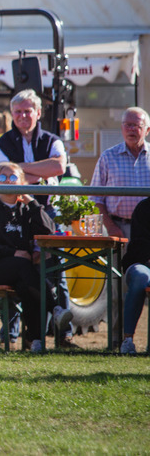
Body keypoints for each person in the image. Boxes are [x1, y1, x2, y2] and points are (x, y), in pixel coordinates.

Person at [0, 88, 74, 345]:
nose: (23, 116)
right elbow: (3, 179)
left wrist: (17, 170)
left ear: (38, 112)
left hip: (48, 212)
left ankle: (64, 335)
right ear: (12, 115)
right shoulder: (0, 143)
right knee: (19, 270)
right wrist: (38, 171)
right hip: (15, 214)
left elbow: (58, 167)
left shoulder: (52, 139)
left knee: (56, 271)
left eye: (28, 111)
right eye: (18, 112)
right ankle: (12, 335)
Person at [0, 161, 72, 353]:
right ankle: (55, 309)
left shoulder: (26, 210)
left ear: (22, 183)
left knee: (27, 285)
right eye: (2, 177)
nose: (7, 181)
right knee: (23, 266)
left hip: (19, 271)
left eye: (13, 177)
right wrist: (13, 253)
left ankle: (35, 341)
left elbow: (48, 231)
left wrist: (33, 204)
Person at [90, 107, 150, 241]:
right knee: (119, 262)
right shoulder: (108, 157)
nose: (131, 129)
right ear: (122, 128)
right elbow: (95, 198)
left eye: (137, 125)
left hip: (148, 227)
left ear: (147, 130)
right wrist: (110, 227)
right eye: (127, 125)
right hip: (118, 228)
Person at [120, 197, 150, 355]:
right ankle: (128, 340)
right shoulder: (144, 208)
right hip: (142, 262)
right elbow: (139, 243)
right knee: (141, 277)